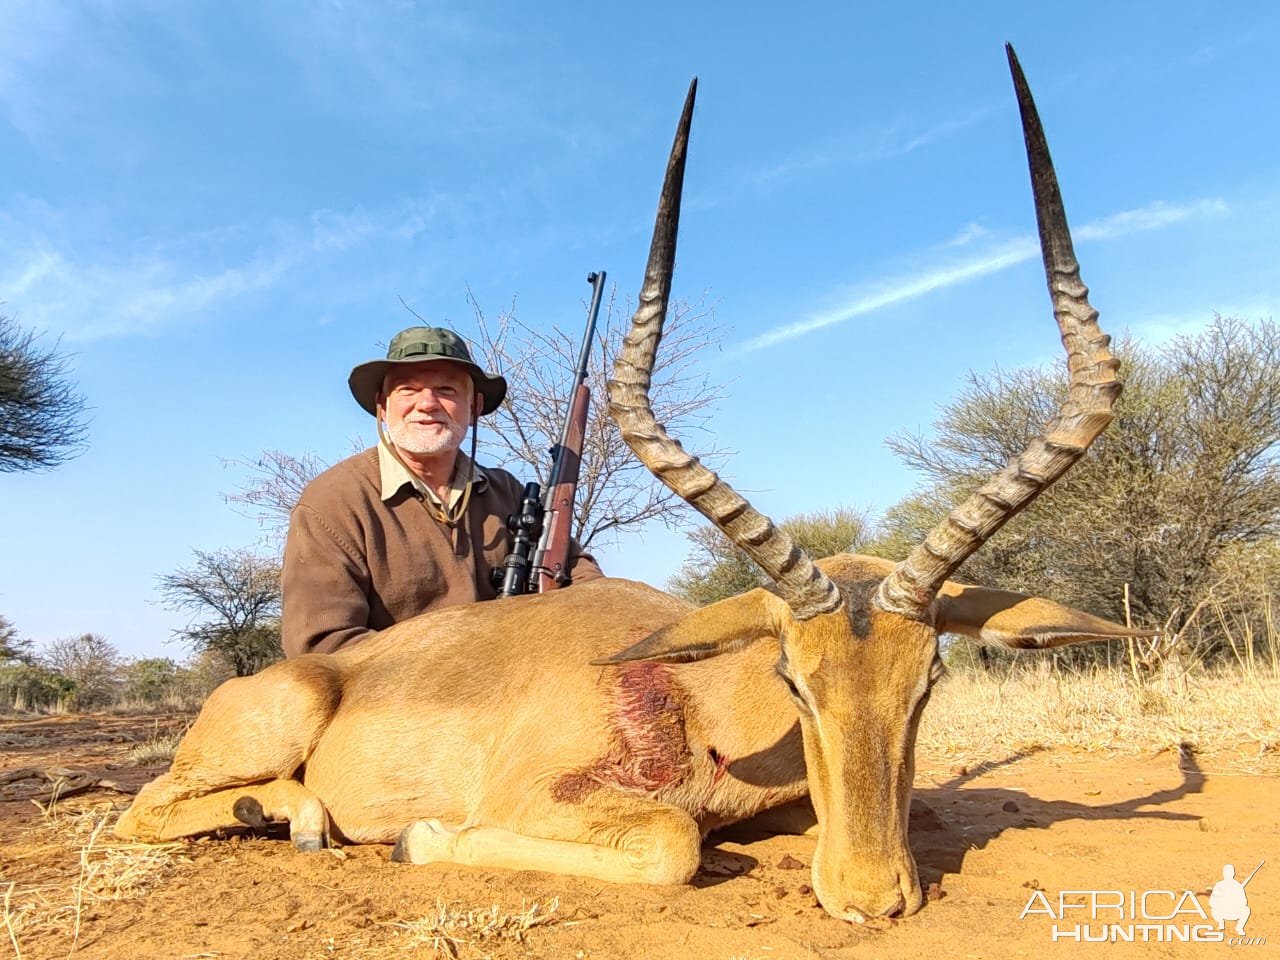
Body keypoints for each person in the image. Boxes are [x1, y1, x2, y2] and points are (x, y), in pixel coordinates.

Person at [282, 325, 603, 656]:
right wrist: (465, 668)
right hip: (393, 703)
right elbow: (322, 647)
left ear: (474, 406)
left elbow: (580, 575)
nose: (427, 404)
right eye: (408, 390)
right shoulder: (333, 502)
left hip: (515, 695)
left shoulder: (507, 491)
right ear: (382, 406)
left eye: (446, 390)